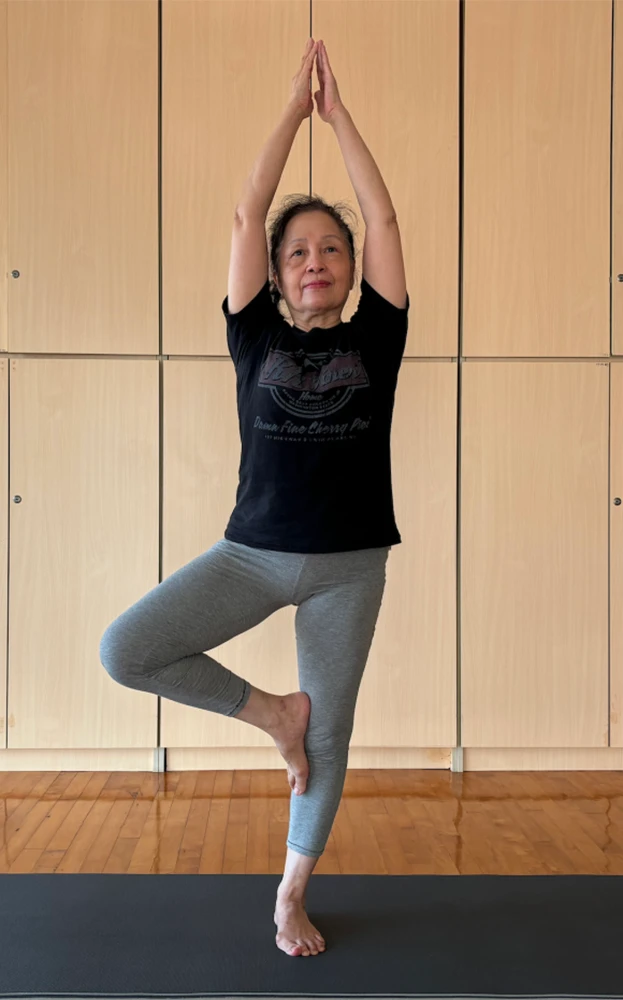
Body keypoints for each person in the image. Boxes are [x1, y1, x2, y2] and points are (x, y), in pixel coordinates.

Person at [99, 37, 409, 959]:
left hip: (349, 567)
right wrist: (292, 110)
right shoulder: (253, 336)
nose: (316, 260)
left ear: (350, 270)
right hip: (252, 554)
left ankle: (290, 894)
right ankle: (272, 715)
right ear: (274, 275)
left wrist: (338, 119)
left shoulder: (378, 338)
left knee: (332, 731)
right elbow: (246, 211)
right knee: (127, 649)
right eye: (297, 251)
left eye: (331, 250)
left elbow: (384, 216)